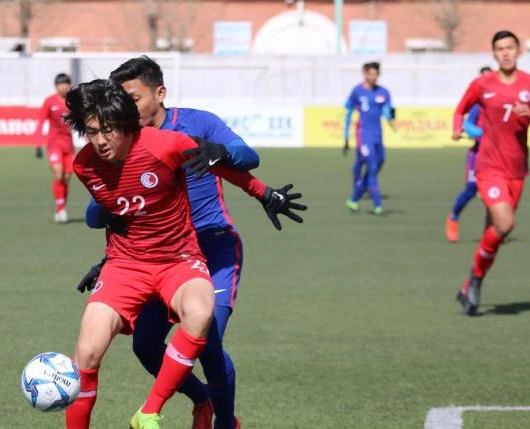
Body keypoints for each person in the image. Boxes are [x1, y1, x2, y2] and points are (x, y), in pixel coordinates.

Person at [63, 79, 306, 429]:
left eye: (108, 130)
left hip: (178, 260)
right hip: (125, 266)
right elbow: (120, 215)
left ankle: (149, 413)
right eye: (92, 132)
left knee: (201, 313)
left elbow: (223, 167)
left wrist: (264, 193)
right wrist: (105, 261)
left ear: (126, 124)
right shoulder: (84, 166)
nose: (100, 140)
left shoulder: (166, 143)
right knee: (86, 354)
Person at [452, 31, 530, 316]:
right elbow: (460, 110)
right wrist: (457, 128)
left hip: (517, 170)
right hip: (488, 167)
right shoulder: (482, 84)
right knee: (505, 224)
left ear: (519, 51)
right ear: (494, 54)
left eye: (510, 47)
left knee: (495, 234)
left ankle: (469, 287)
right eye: (500, 48)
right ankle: (475, 280)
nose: (505, 53)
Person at [445, 66, 493, 243]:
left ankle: (490, 232)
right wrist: (481, 133)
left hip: (495, 156)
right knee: (471, 190)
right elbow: (468, 125)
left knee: (493, 195)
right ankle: (454, 217)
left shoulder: (502, 103)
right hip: (477, 155)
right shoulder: (478, 105)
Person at [343, 62, 395, 215]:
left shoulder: (383, 92)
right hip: (364, 135)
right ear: (365, 74)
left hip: (378, 135)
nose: (373, 77)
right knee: (371, 166)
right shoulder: (357, 91)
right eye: (370, 74)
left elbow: (387, 111)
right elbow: (348, 112)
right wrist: (346, 137)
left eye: (375, 74)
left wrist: (391, 118)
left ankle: (353, 199)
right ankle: (378, 205)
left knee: (380, 162)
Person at [35, 73, 75, 224]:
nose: (63, 86)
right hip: (54, 145)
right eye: (60, 84)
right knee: (58, 174)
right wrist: (38, 144)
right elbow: (40, 122)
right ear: (56, 86)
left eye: (66, 83)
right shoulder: (49, 101)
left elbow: (83, 122)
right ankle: (61, 209)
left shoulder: (73, 102)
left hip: (68, 145)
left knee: (67, 178)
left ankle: (62, 206)